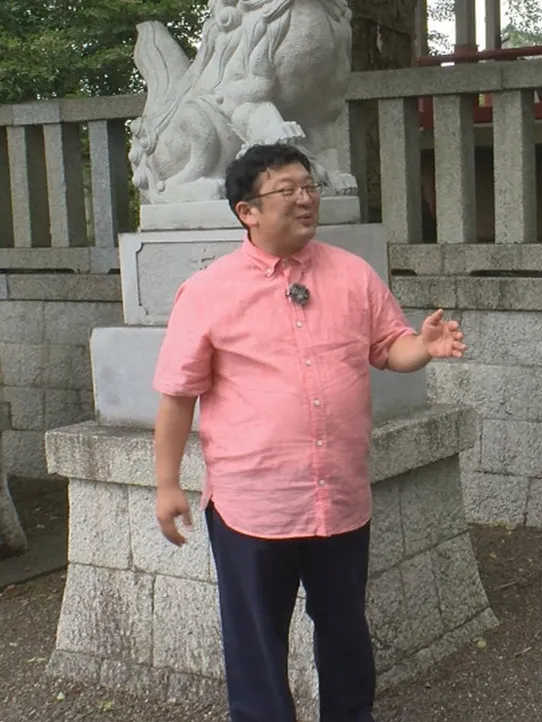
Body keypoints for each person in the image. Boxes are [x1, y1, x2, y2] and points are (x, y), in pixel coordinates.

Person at [150, 142, 465, 722]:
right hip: (253, 501)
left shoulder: (353, 274)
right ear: (247, 211)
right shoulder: (208, 291)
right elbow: (177, 396)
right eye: (287, 190)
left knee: (345, 630)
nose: (305, 199)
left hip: (339, 496)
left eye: (309, 186)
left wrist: (423, 346)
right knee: (256, 643)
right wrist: (167, 483)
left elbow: (388, 349)